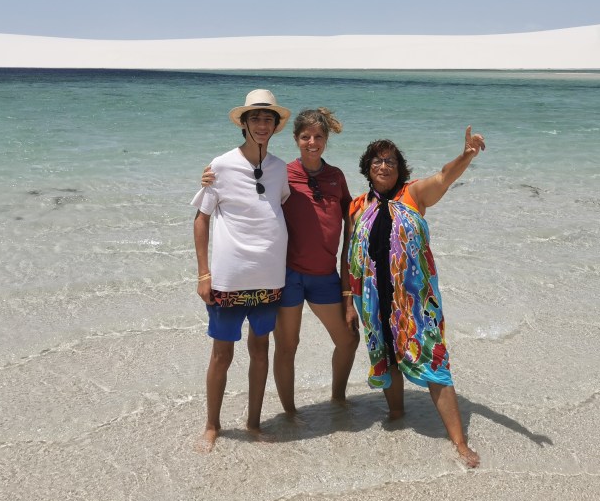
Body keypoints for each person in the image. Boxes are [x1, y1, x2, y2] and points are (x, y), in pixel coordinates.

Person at [345, 126, 486, 468]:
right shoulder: (357, 206)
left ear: (399, 168)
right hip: (374, 301)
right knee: (387, 360)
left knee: (436, 365)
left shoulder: (413, 194)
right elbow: (348, 255)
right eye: (377, 160)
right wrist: (349, 299)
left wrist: (466, 154)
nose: (383, 166)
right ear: (368, 167)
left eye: (390, 161)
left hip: (414, 304)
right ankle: (396, 416)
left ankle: (460, 442)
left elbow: (443, 177)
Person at [203, 108, 359, 414]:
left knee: (349, 339)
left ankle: (338, 398)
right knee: (287, 347)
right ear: (295, 139)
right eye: (305, 136)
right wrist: (211, 177)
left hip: (325, 275)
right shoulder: (281, 172)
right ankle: (290, 413)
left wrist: (350, 281)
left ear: (326, 140)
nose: (312, 142)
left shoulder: (336, 176)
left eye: (318, 137)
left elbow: (351, 218)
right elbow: (247, 188)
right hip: (286, 276)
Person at [191, 89, 292, 451]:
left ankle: (253, 423)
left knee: (261, 350)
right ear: (244, 124)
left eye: (268, 119)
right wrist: (204, 274)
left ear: (276, 126)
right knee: (222, 353)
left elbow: (276, 208)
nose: (262, 125)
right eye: (256, 119)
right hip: (229, 278)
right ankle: (212, 425)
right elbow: (201, 220)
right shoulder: (219, 165)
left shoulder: (281, 168)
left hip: (269, 277)